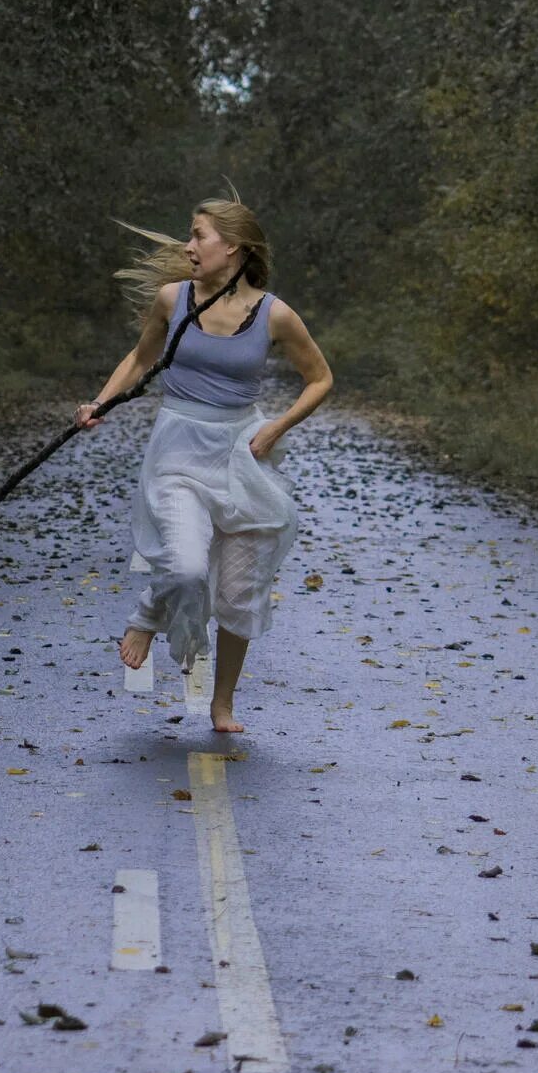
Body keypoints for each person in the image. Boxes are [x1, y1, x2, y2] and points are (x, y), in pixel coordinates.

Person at [73, 196, 333, 733]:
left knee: (237, 592)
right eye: (189, 236)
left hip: (240, 452)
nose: (188, 247)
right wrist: (100, 401)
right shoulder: (172, 300)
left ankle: (222, 705)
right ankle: (148, 613)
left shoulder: (274, 313)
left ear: (233, 248)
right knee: (188, 565)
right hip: (177, 448)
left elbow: (321, 379)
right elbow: (142, 358)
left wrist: (277, 426)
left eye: (199, 236)